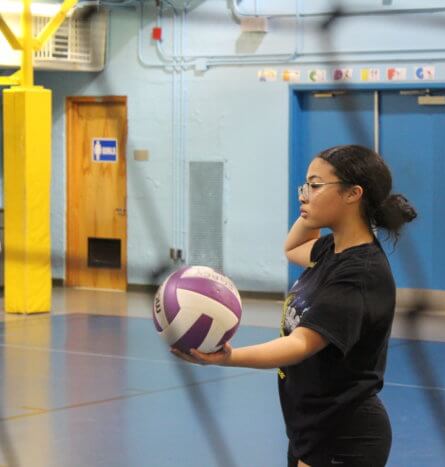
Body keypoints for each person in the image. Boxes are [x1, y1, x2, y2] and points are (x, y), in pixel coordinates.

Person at [172, 144, 417, 467]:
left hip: (344, 434)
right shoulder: (332, 249)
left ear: (352, 194)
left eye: (315, 185)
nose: (304, 194)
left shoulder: (360, 273)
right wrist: (309, 207)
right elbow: (294, 246)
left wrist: (227, 358)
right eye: (304, 185)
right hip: (310, 427)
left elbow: (301, 343)